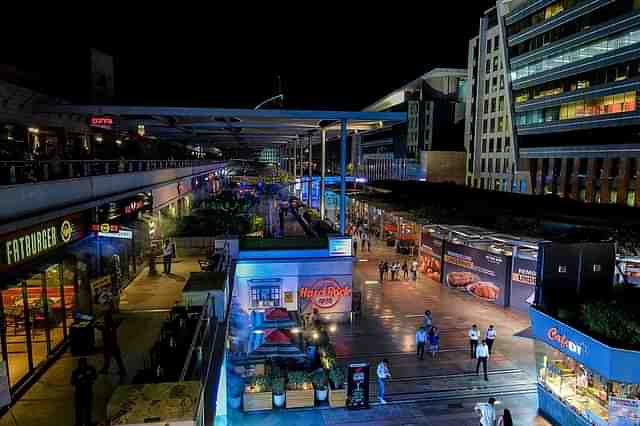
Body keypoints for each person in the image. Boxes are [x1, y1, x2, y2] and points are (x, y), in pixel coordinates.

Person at [98, 307, 127, 376]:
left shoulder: (104, 327)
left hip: (107, 346)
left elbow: (97, 326)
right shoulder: (113, 325)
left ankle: (105, 369)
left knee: (107, 359)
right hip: (114, 345)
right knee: (118, 359)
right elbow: (119, 321)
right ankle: (122, 370)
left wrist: (96, 323)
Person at [71, 357, 97, 426]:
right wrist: (81, 379)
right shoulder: (76, 372)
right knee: (79, 409)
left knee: (88, 408)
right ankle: (79, 423)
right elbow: (72, 382)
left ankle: (87, 422)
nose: (83, 366)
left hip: (87, 392)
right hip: (79, 393)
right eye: (81, 365)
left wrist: (88, 377)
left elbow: (95, 376)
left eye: (84, 364)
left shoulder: (90, 369)